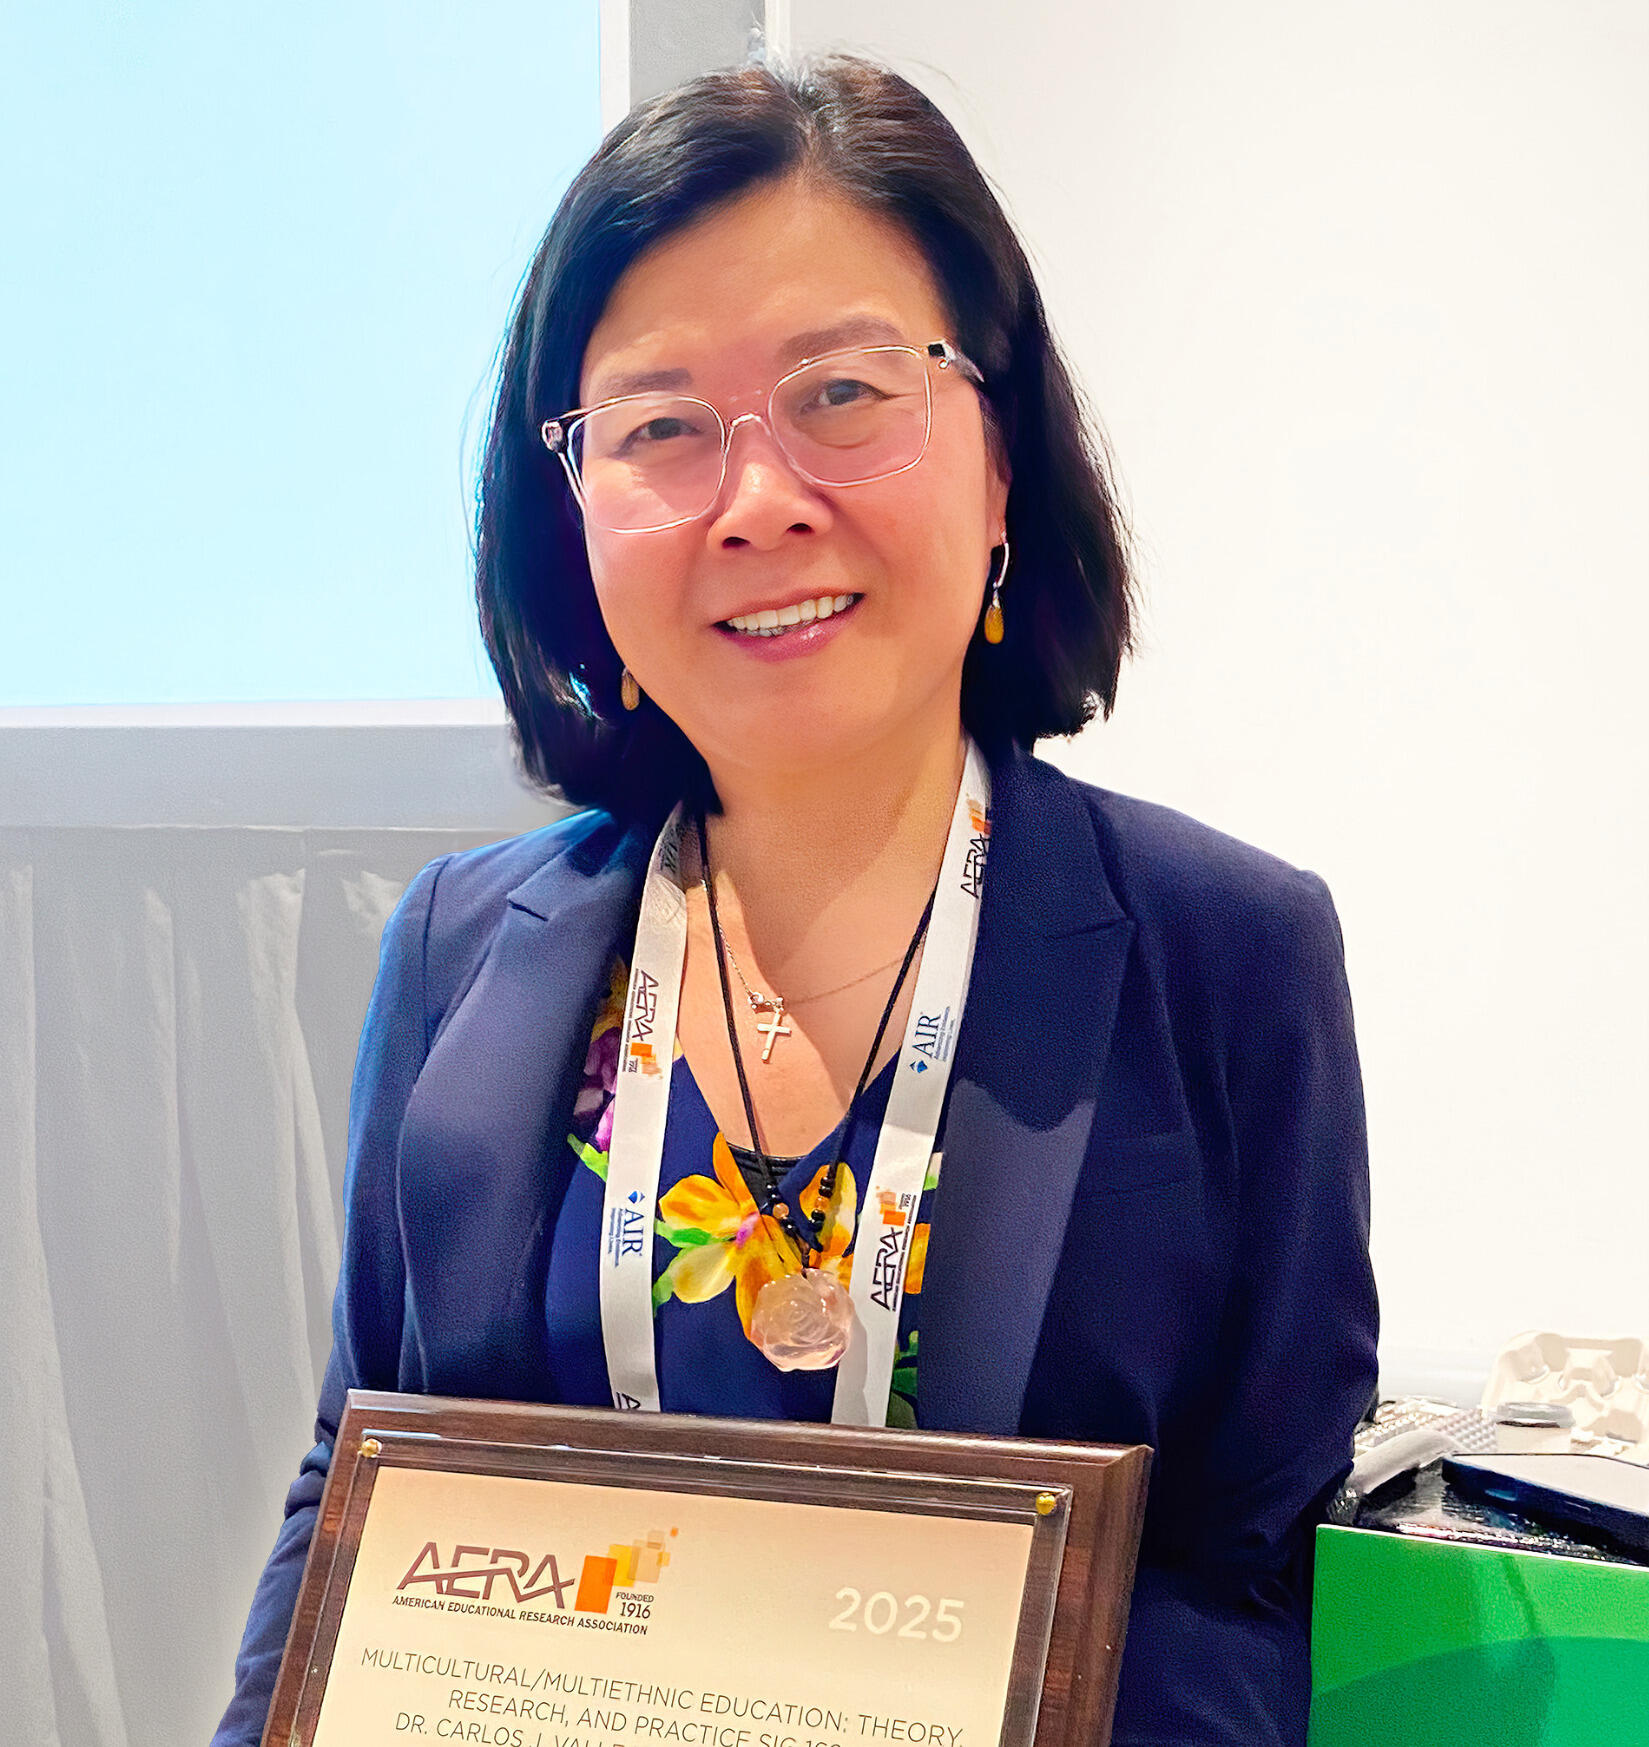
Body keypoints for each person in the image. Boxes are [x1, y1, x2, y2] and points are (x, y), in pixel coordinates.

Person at [213, 51, 1376, 1747]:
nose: (756, 502)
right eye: (661, 427)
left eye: (840, 395)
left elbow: (1251, 1574)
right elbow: (359, 1484)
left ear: (997, 466)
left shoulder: (1229, 959)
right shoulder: (465, 948)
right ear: (572, 521)